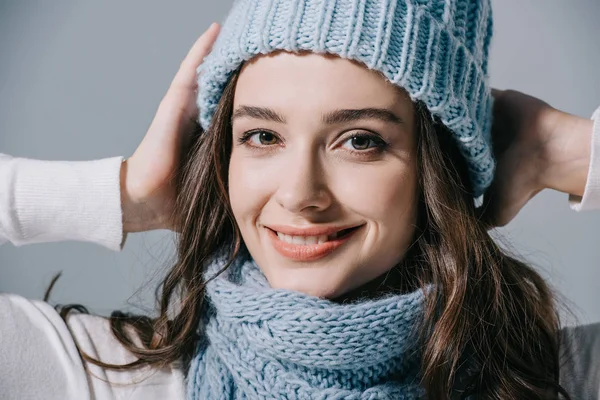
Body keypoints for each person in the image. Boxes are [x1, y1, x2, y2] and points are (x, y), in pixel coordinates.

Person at [1, 1, 599, 399]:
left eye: (359, 141)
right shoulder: (100, 378)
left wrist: (564, 151)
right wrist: (126, 194)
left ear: (433, 168)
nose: (299, 194)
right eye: (263, 136)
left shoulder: (553, 381)